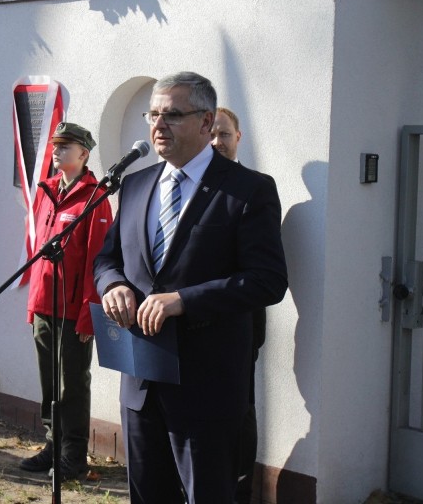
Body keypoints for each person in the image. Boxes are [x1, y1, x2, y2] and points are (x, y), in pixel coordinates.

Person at [94, 72, 287, 503]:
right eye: (154, 114)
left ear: (206, 122)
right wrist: (113, 286)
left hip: (207, 385)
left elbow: (268, 280)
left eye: (173, 115)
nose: (158, 125)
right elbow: (108, 260)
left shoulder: (248, 190)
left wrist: (185, 300)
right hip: (142, 380)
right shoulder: (136, 184)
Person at [19, 122, 113, 480]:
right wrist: (32, 303)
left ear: (84, 154)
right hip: (44, 304)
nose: (57, 151)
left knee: (71, 383)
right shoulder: (46, 190)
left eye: (66, 146)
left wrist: (91, 313)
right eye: (56, 145)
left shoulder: (94, 197)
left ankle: (73, 455)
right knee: (48, 381)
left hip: (74, 310)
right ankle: (52, 445)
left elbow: (98, 260)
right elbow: (38, 253)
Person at [213, 105, 268, 503]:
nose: (218, 142)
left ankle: (239, 489)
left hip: (238, 324)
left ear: (238, 138)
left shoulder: (254, 188)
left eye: (225, 135)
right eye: (212, 135)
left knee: (239, 411)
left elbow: (262, 272)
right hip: (187, 325)